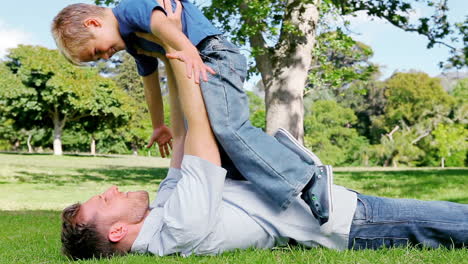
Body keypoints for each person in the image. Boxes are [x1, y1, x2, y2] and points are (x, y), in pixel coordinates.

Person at [60, 57, 468, 260]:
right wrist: (184, 58)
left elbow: (183, 134)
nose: (110, 190)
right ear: (116, 233)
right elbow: (201, 135)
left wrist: (167, 63)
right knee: (457, 222)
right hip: (353, 222)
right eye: (105, 200)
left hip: (338, 210)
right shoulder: (179, 226)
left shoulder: (163, 213)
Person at [52, 0, 333, 224]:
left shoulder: (129, 8)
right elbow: (150, 83)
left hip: (212, 55)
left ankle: (307, 177)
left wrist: (189, 52)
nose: (104, 57)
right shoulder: (133, 43)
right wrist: (159, 125)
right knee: (212, 140)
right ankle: (268, 190)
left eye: (96, 51)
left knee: (228, 126)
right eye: (97, 59)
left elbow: (164, 24)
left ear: (93, 23)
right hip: (196, 57)